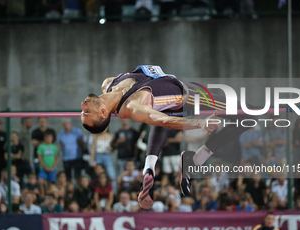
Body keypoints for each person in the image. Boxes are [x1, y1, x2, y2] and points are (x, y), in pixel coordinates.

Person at [80, 65, 255, 209]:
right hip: (189, 99)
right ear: (103, 112)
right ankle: (196, 159)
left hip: (168, 95)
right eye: (86, 112)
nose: (83, 106)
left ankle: (149, 168)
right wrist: (198, 123)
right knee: (250, 115)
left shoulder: (108, 83)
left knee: (157, 111)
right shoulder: (133, 107)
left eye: (83, 110)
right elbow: (163, 120)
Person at [90, 128, 116, 192]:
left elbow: (113, 148)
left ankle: (113, 192)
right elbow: (92, 149)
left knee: (111, 174)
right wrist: (92, 160)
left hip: (107, 156)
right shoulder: (95, 136)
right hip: (98, 156)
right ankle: (97, 191)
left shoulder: (110, 136)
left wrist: (111, 149)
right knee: (97, 175)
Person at [37, 130, 59, 197]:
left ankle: (48, 195)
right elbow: (40, 157)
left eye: (50, 138)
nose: (48, 139)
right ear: (45, 138)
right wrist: (44, 166)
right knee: (41, 181)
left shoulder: (54, 147)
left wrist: (52, 167)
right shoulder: (41, 146)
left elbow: (56, 158)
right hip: (43, 168)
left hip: (51, 168)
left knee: (50, 183)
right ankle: (43, 195)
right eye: (47, 137)